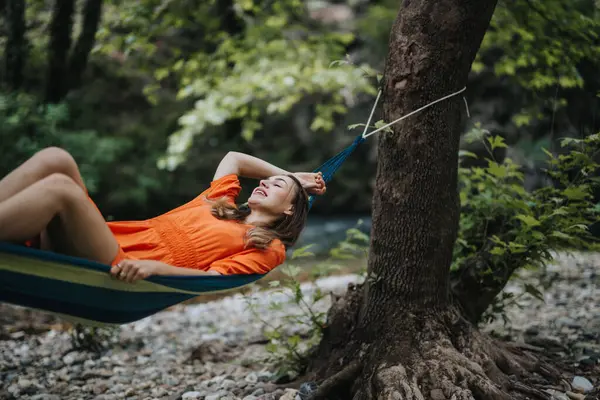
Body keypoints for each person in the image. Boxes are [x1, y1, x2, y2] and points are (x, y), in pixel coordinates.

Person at [0, 147, 326, 282]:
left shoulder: (268, 248)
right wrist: (293, 176)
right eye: (267, 180)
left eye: (277, 184)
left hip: (122, 264)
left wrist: (155, 267)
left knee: (60, 188)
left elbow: (212, 280)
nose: (265, 182)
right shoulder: (220, 203)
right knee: (56, 159)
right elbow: (234, 159)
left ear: (290, 209)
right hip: (102, 238)